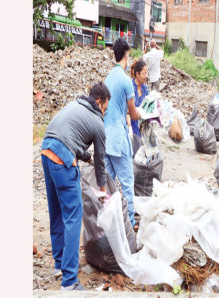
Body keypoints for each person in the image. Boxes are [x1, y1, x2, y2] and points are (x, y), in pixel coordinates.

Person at [40, 82, 110, 291]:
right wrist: (103, 189)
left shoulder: (75, 106)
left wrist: (85, 158)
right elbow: (101, 160)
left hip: (46, 150)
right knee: (73, 215)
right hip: (62, 158)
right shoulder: (97, 122)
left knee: (57, 212)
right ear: (99, 102)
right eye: (105, 108)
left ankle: (60, 265)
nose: (104, 113)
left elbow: (72, 136)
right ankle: (70, 281)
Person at [104, 37, 141, 228]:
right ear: (126, 54)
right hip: (118, 138)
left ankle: (105, 221)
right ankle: (130, 223)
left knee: (107, 184)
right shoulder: (126, 81)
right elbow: (133, 114)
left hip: (105, 139)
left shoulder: (108, 78)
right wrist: (143, 113)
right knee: (127, 183)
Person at [130, 59, 149, 138]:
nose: (146, 76)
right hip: (130, 127)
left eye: (146, 73)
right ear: (137, 74)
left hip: (142, 128)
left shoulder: (145, 89)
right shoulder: (130, 87)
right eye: (144, 74)